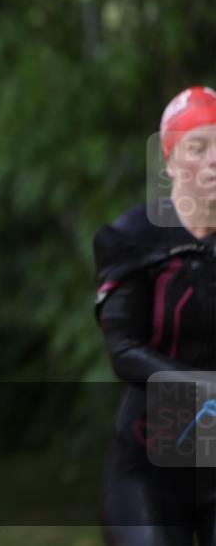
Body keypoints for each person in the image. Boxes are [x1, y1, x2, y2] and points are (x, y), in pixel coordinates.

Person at [93, 86, 216, 546]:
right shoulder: (132, 236)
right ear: (170, 162)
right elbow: (123, 350)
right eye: (197, 147)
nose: (213, 161)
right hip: (148, 461)